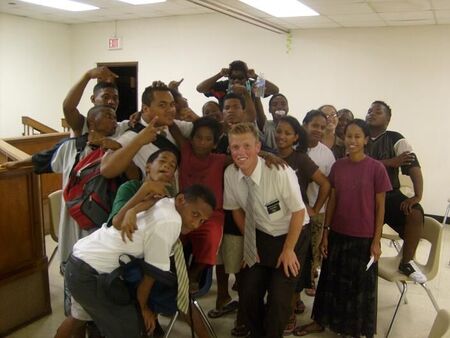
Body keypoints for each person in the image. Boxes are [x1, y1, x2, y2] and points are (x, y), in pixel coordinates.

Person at [65, 184, 216, 338]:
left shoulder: (165, 203)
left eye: (202, 221)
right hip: (90, 273)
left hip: (80, 261)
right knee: (131, 330)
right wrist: (143, 308)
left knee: (79, 318)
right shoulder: (170, 220)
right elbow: (152, 272)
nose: (195, 224)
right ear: (181, 199)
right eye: (195, 214)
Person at [295, 119, 391, 337]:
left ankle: (354, 329)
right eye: (349, 136)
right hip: (338, 233)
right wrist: (326, 233)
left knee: (359, 288)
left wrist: (376, 241)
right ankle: (320, 321)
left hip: (364, 238)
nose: (352, 141)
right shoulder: (338, 166)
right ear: (343, 138)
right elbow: (333, 201)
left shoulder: (377, 169)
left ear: (366, 140)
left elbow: (380, 209)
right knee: (330, 282)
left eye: (358, 136)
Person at [224, 122, 308, 338]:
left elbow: (299, 212)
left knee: (279, 298)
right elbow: (236, 211)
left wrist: (289, 250)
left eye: (246, 146)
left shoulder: (279, 172)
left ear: (258, 147)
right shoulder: (231, 175)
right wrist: (250, 243)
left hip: (292, 233)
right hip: (261, 234)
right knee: (248, 292)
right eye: (235, 147)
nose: (241, 152)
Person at [274, 116, 331, 335]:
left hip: (297, 222)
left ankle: (289, 313)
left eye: (288, 133)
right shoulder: (268, 156)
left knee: (293, 271)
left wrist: (314, 209)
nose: (282, 136)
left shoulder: (301, 159)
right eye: (279, 131)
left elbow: (326, 184)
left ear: (296, 137)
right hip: (273, 223)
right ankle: (284, 306)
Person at [366, 100, 426, 283]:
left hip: (389, 194)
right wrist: (390, 162)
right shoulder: (359, 134)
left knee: (415, 213)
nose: (371, 113)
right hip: (364, 195)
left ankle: (406, 262)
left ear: (388, 119)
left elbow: (413, 166)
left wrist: (417, 196)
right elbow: (358, 162)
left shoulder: (396, 138)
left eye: (377, 111)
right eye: (369, 110)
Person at [169, 117, 229, 292]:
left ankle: (193, 275)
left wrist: (267, 154)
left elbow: (243, 158)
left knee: (211, 237)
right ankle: (172, 273)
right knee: (169, 234)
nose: (202, 143)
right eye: (198, 137)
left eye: (208, 139)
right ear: (192, 138)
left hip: (210, 215)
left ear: (215, 143)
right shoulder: (185, 150)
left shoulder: (219, 160)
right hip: (182, 210)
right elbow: (171, 124)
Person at [100, 81, 193, 180]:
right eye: (162, 105)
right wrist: (139, 140)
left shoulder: (174, 126)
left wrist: (194, 117)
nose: (170, 109)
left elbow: (207, 135)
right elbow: (106, 170)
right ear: (145, 109)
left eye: (172, 104)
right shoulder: (131, 136)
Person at [302, 110, 335, 297]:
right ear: (305, 124)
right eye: (315, 125)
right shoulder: (296, 148)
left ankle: (310, 278)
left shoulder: (327, 155)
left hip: (317, 210)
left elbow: (329, 185)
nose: (318, 130)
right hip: (293, 210)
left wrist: (316, 209)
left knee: (312, 248)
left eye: (322, 127)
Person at [62, 66, 132, 137]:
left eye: (115, 98)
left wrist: (139, 114)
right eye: (106, 97)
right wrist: (87, 76)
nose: (111, 101)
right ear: (93, 99)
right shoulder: (83, 124)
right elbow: (67, 108)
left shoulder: (123, 127)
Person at [196, 60, 279, 107]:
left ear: (247, 78)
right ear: (228, 77)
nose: (236, 81)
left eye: (240, 78)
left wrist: (255, 76)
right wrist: (219, 75)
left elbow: (275, 90)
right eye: (233, 78)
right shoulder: (223, 86)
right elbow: (200, 89)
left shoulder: (252, 86)